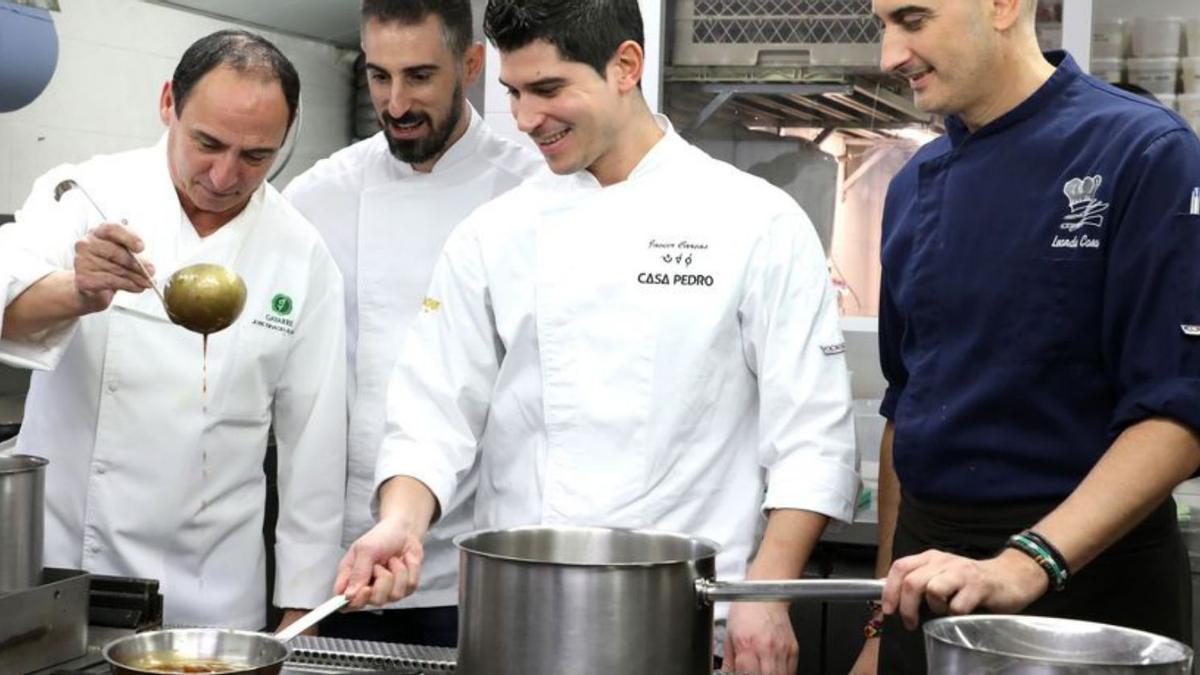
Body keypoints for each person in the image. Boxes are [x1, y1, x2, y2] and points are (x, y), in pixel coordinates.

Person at [335, 1, 860, 673]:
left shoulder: (755, 222)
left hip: (691, 620)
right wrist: (401, 521)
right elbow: (432, 410)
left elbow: (812, 433)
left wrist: (767, 588)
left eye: (549, 89)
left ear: (625, 66)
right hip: (518, 616)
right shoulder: (494, 232)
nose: (525, 120)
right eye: (513, 93)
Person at [849, 1, 1200, 673]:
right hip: (926, 580)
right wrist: (879, 621)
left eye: (913, 20)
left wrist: (1027, 560)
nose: (889, 55)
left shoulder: (1142, 150)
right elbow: (906, 404)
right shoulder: (914, 183)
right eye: (882, 26)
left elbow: (1177, 410)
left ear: (1004, 5)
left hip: (1089, 578)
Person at [0, 30, 347, 631]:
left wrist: (302, 610)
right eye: (207, 143)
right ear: (169, 103)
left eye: (256, 156)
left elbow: (313, 444)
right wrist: (77, 290)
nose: (223, 175)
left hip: (212, 591)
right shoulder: (87, 194)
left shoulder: (303, 253)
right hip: (63, 569)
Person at [284, 0, 541, 647]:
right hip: (348, 563)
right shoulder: (318, 197)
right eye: (379, 76)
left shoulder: (534, 195)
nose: (394, 102)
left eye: (420, 76)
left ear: (472, 64)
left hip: (480, 565)